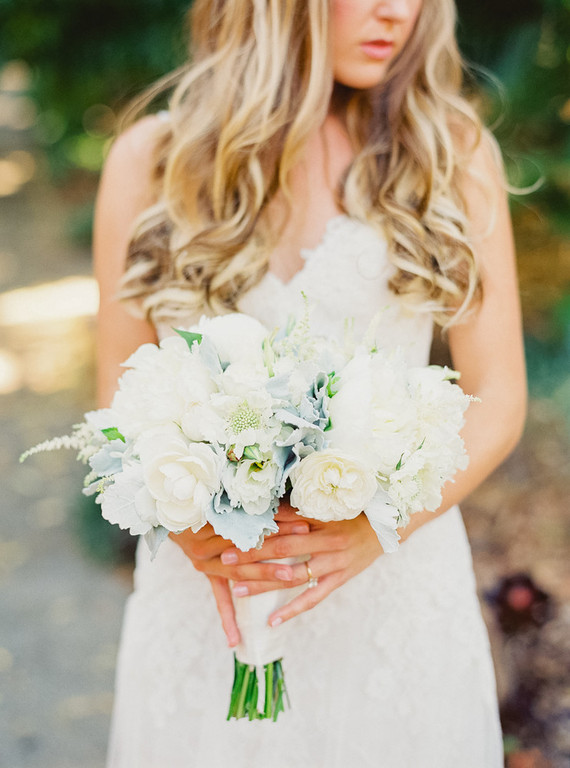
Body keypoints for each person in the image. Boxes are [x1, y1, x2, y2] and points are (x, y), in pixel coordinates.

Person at [94, 1, 526, 766]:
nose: (398, 12)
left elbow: (498, 397)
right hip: (209, 598)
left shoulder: (451, 151)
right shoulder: (151, 160)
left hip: (394, 593)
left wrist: (378, 527)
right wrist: (191, 528)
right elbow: (118, 397)